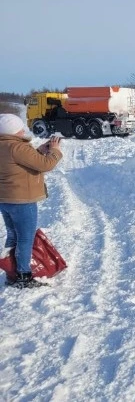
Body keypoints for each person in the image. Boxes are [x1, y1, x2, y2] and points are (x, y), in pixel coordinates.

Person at [0, 114, 62, 288]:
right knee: (25, 238)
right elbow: (46, 165)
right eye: (20, 128)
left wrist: (39, 151)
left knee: (13, 235)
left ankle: (11, 273)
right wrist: (55, 150)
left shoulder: (4, 145)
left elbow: (19, 162)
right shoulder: (18, 147)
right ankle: (23, 276)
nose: (23, 131)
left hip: (5, 199)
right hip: (22, 201)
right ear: (13, 130)